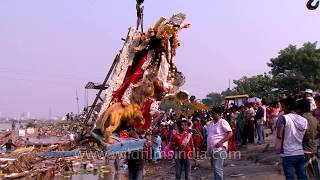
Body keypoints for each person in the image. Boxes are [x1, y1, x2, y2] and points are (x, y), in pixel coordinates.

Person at [276, 97, 308, 180]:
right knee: (302, 176)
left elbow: (279, 135)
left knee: (290, 177)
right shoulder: (304, 120)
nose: (283, 109)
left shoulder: (284, 118)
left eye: (283, 107)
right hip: (300, 152)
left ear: (288, 107)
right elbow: (305, 137)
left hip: (288, 153)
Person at [296, 99, 320, 179]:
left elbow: (305, 135)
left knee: (305, 173)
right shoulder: (314, 118)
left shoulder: (301, 119)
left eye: (297, 108)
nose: (296, 111)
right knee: (315, 172)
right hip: (312, 148)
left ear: (302, 108)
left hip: (304, 149)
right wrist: (313, 137)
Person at [207, 107, 232, 180]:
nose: (213, 115)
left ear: (219, 114)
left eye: (214, 114)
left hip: (220, 149)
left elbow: (230, 133)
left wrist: (221, 141)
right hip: (212, 149)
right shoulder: (211, 123)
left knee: (218, 168)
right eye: (212, 113)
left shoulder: (223, 122)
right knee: (215, 168)